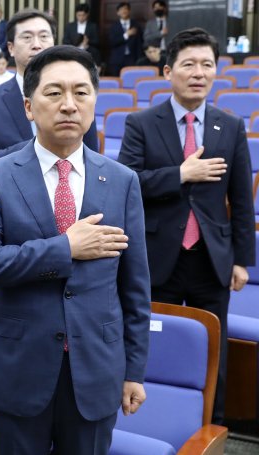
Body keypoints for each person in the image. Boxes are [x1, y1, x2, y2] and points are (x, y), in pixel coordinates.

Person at [0, 45, 151, 455]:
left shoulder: (121, 181)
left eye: (81, 92)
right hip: (18, 367)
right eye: (54, 93)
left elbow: (135, 287)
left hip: (97, 370)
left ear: (94, 102)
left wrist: (134, 370)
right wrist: (64, 248)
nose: (69, 104)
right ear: (30, 107)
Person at [118, 28, 255, 425]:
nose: (199, 72)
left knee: (214, 351)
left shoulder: (230, 126)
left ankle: (211, 429)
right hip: (157, 257)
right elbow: (128, 183)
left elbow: (243, 201)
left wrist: (242, 260)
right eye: (189, 64)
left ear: (216, 71)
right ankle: (149, 422)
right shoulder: (141, 123)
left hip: (212, 259)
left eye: (207, 65)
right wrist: (181, 173)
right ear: (167, 71)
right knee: (148, 343)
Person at [0, 9, 99, 171]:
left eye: (44, 37)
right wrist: (41, 147)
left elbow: (92, 158)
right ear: (10, 48)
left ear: (53, 43)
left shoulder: (77, 97)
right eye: (27, 37)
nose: (37, 45)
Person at [107, 2, 143, 77]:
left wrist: (139, 59)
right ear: (118, 12)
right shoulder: (114, 26)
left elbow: (139, 43)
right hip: (117, 59)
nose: (124, 11)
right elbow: (112, 42)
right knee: (116, 83)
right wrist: (126, 35)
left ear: (129, 11)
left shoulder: (136, 25)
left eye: (126, 9)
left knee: (131, 81)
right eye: (121, 9)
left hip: (132, 59)